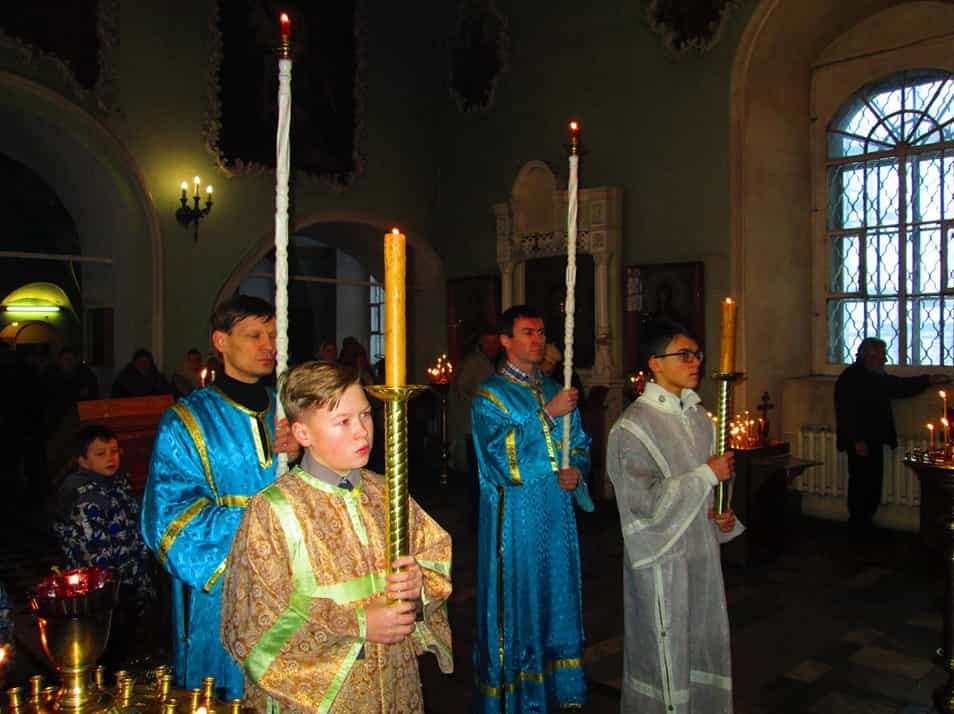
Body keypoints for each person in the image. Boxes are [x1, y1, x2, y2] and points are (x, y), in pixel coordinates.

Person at [221, 361, 453, 712]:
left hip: (395, 680)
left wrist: (418, 583)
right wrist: (360, 624)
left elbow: (435, 554)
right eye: (343, 421)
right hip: (322, 700)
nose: (362, 432)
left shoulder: (388, 493)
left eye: (365, 416)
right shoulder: (274, 511)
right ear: (303, 434)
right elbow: (254, 624)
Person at [141, 295, 297, 700]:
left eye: (274, 335)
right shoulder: (186, 420)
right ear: (221, 341)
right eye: (254, 335)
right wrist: (262, 531)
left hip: (293, 581)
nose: (269, 346)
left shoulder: (287, 412)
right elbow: (168, 517)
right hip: (222, 587)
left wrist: (302, 458)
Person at [606, 319, 742, 713]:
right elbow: (641, 504)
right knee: (667, 651)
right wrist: (705, 475)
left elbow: (708, 492)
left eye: (697, 354)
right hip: (662, 563)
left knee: (703, 641)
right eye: (684, 354)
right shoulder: (632, 427)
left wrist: (723, 516)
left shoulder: (699, 418)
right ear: (655, 363)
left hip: (701, 556)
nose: (695, 362)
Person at [470, 305, 593, 712]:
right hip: (515, 521)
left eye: (541, 332)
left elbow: (579, 443)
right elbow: (497, 458)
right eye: (526, 332)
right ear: (505, 340)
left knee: (556, 593)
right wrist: (546, 415)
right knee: (517, 602)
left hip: (557, 516)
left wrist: (577, 469)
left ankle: (558, 691)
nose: (537, 339)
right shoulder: (491, 395)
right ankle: (516, 699)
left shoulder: (556, 385)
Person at [52, 424, 158, 666]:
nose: (111, 458)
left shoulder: (118, 485)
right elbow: (92, 551)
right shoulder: (84, 498)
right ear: (83, 461)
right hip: (104, 588)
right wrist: (114, 585)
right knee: (108, 646)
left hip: (129, 578)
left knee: (131, 638)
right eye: (101, 454)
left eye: (114, 451)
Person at [834, 337, 949, 531]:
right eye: (882, 355)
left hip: (873, 439)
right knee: (861, 483)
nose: (885, 360)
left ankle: (865, 522)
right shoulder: (850, 379)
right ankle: (858, 525)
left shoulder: (874, 376)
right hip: (861, 441)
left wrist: (928, 380)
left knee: (872, 483)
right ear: (870, 356)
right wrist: (857, 440)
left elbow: (898, 386)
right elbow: (846, 413)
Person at [448, 326, 499, 527]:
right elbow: (461, 390)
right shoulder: (472, 363)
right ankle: (477, 520)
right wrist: (482, 403)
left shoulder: (498, 363)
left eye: (495, 343)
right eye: (488, 343)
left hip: (493, 429)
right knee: (477, 476)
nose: (492, 347)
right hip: (474, 428)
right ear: (481, 343)